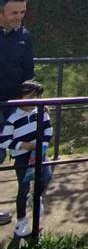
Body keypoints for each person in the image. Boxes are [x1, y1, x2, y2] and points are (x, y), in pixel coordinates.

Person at [0, 80, 53, 238]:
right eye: (29, 96)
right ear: (20, 97)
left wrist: (42, 144)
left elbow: (48, 129)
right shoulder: (13, 118)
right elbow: (4, 140)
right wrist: (22, 145)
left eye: (36, 96)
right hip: (22, 157)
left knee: (46, 176)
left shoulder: (41, 112)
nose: (33, 100)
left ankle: (36, 196)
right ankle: (21, 221)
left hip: (39, 153)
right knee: (23, 188)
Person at [0, 0, 34, 225]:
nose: (19, 17)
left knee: (22, 154)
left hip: (15, 105)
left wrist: (29, 105)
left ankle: (24, 211)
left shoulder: (24, 35)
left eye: (22, 12)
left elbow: (28, 72)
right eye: (14, 13)